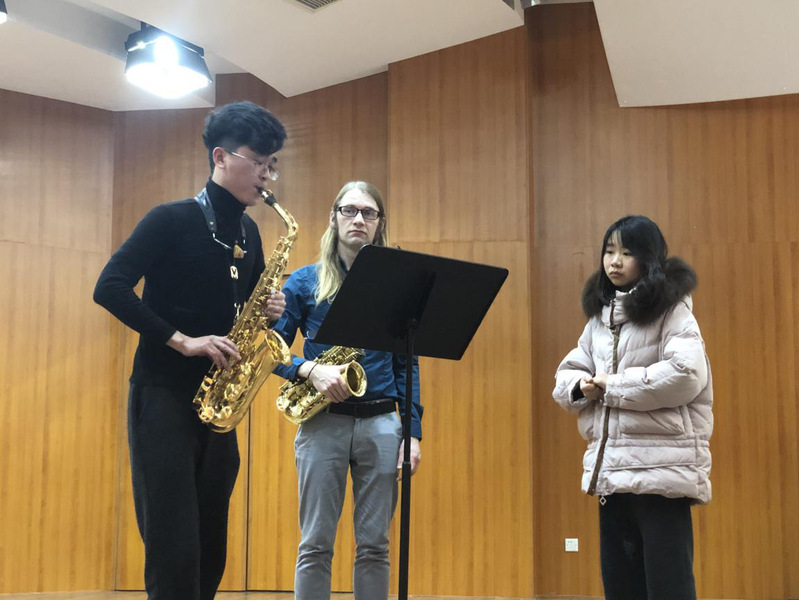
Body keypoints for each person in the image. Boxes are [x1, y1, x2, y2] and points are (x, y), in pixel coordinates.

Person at [93, 101, 288, 600]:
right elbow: (109, 287)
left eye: (272, 164)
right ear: (221, 156)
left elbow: (244, 308)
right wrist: (181, 340)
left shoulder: (249, 231)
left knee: (210, 546)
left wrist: (270, 310)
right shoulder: (170, 219)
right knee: (172, 544)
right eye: (258, 162)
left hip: (218, 406)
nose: (267, 176)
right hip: (163, 398)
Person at [272, 180, 424, 600]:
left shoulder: (396, 288)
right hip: (323, 421)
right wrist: (309, 370)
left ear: (379, 223)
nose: (358, 219)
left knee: (375, 547)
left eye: (368, 212)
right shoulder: (304, 282)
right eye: (350, 210)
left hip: (383, 424)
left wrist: (412, 433)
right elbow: (271, 349)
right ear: (334, 217)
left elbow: (407, 363)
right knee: (315, 545)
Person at [552, 215, 713, 600]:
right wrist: (581, 388)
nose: (614, 261)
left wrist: (611, 386)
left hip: (662, 476)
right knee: (621, 588)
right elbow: (566, 377)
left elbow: (686, 374)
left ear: (649, 257)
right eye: (609, 251)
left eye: (626, 252)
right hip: (612, 475)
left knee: (669, 588)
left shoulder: (672, 311)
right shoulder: (599, 319)